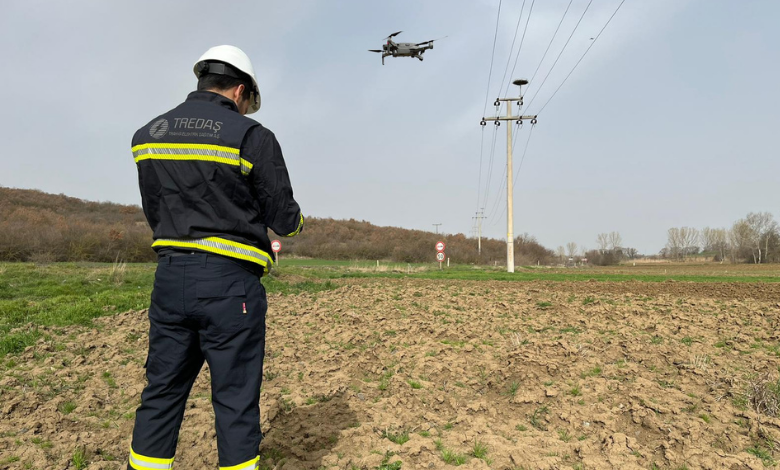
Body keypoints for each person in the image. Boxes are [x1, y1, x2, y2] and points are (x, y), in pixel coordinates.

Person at [127, 45, 303, 470]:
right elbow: (284, 219)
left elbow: (155, 209)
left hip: (169, 280)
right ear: (240, 91)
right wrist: (292, 223)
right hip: (230, 288)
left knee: (161, 394)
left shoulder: (148, 135)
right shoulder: (252, 136)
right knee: (235, 400)